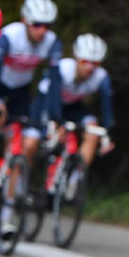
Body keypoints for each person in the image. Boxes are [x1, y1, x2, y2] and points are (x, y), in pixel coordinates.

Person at [0, 0, 60, 238]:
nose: (42, 30)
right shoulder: (10, 35)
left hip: (22, 92)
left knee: (18, 150)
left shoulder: (51, 41)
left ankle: (7, 216)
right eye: (37, 25)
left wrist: (54, 117)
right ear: (25, 21)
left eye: (47, 25)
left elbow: (55, 81)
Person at [34, 33, 113, 173]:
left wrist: (107, 132)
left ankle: (76, 178)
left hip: (73, 106)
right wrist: (57, 121)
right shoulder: (62, 68)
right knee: (44, 136)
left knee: (93, 130)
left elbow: (107, 107)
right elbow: (51, 97)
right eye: (85, 61)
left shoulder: (101, 76)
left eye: (95, 63)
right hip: (48, 103)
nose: (90, 67)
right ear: (76, 57)